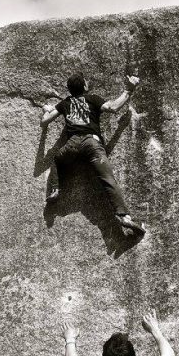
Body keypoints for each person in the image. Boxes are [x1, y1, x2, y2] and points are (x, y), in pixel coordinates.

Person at [40, 72, 147, 235]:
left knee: (56, 159)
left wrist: (45, 110)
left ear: (70, 89)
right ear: (84, 86)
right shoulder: (92, 99)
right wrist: (129, 90)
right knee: (108, 180)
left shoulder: (65, 103)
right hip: (92, 143)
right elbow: (113, 107)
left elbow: (45, 121)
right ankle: (124, 218)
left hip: (73, 144)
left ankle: (55, 190)